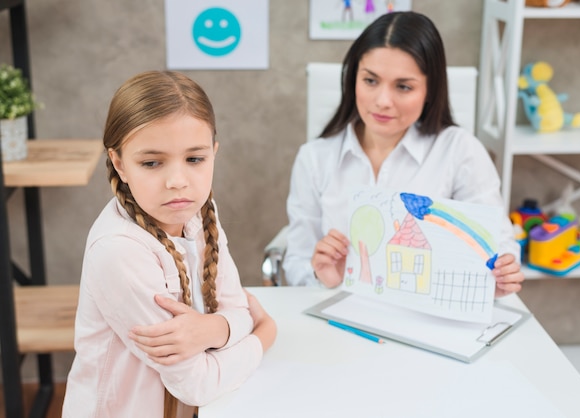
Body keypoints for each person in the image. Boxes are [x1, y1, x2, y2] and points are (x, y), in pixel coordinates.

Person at [63, 71, 276, 418]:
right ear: (119, 164)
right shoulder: (119, 251)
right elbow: (194, 382)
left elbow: (236, 307)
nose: (178, 182)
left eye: (195, 159)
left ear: (213, 153)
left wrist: (214, 328)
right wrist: (264, 334)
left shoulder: (201, 212)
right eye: (151, 162)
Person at [283, 11, 524, 298]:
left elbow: (499, 245)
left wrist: (501, 274)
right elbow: (296, 262)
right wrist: (322, 275)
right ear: (353, 79)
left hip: (429, 321)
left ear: (430, 90)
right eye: (370, 81)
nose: (383, 101)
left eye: (403, 86)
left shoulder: (460, 151)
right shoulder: (314, 158)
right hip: (340, 316)